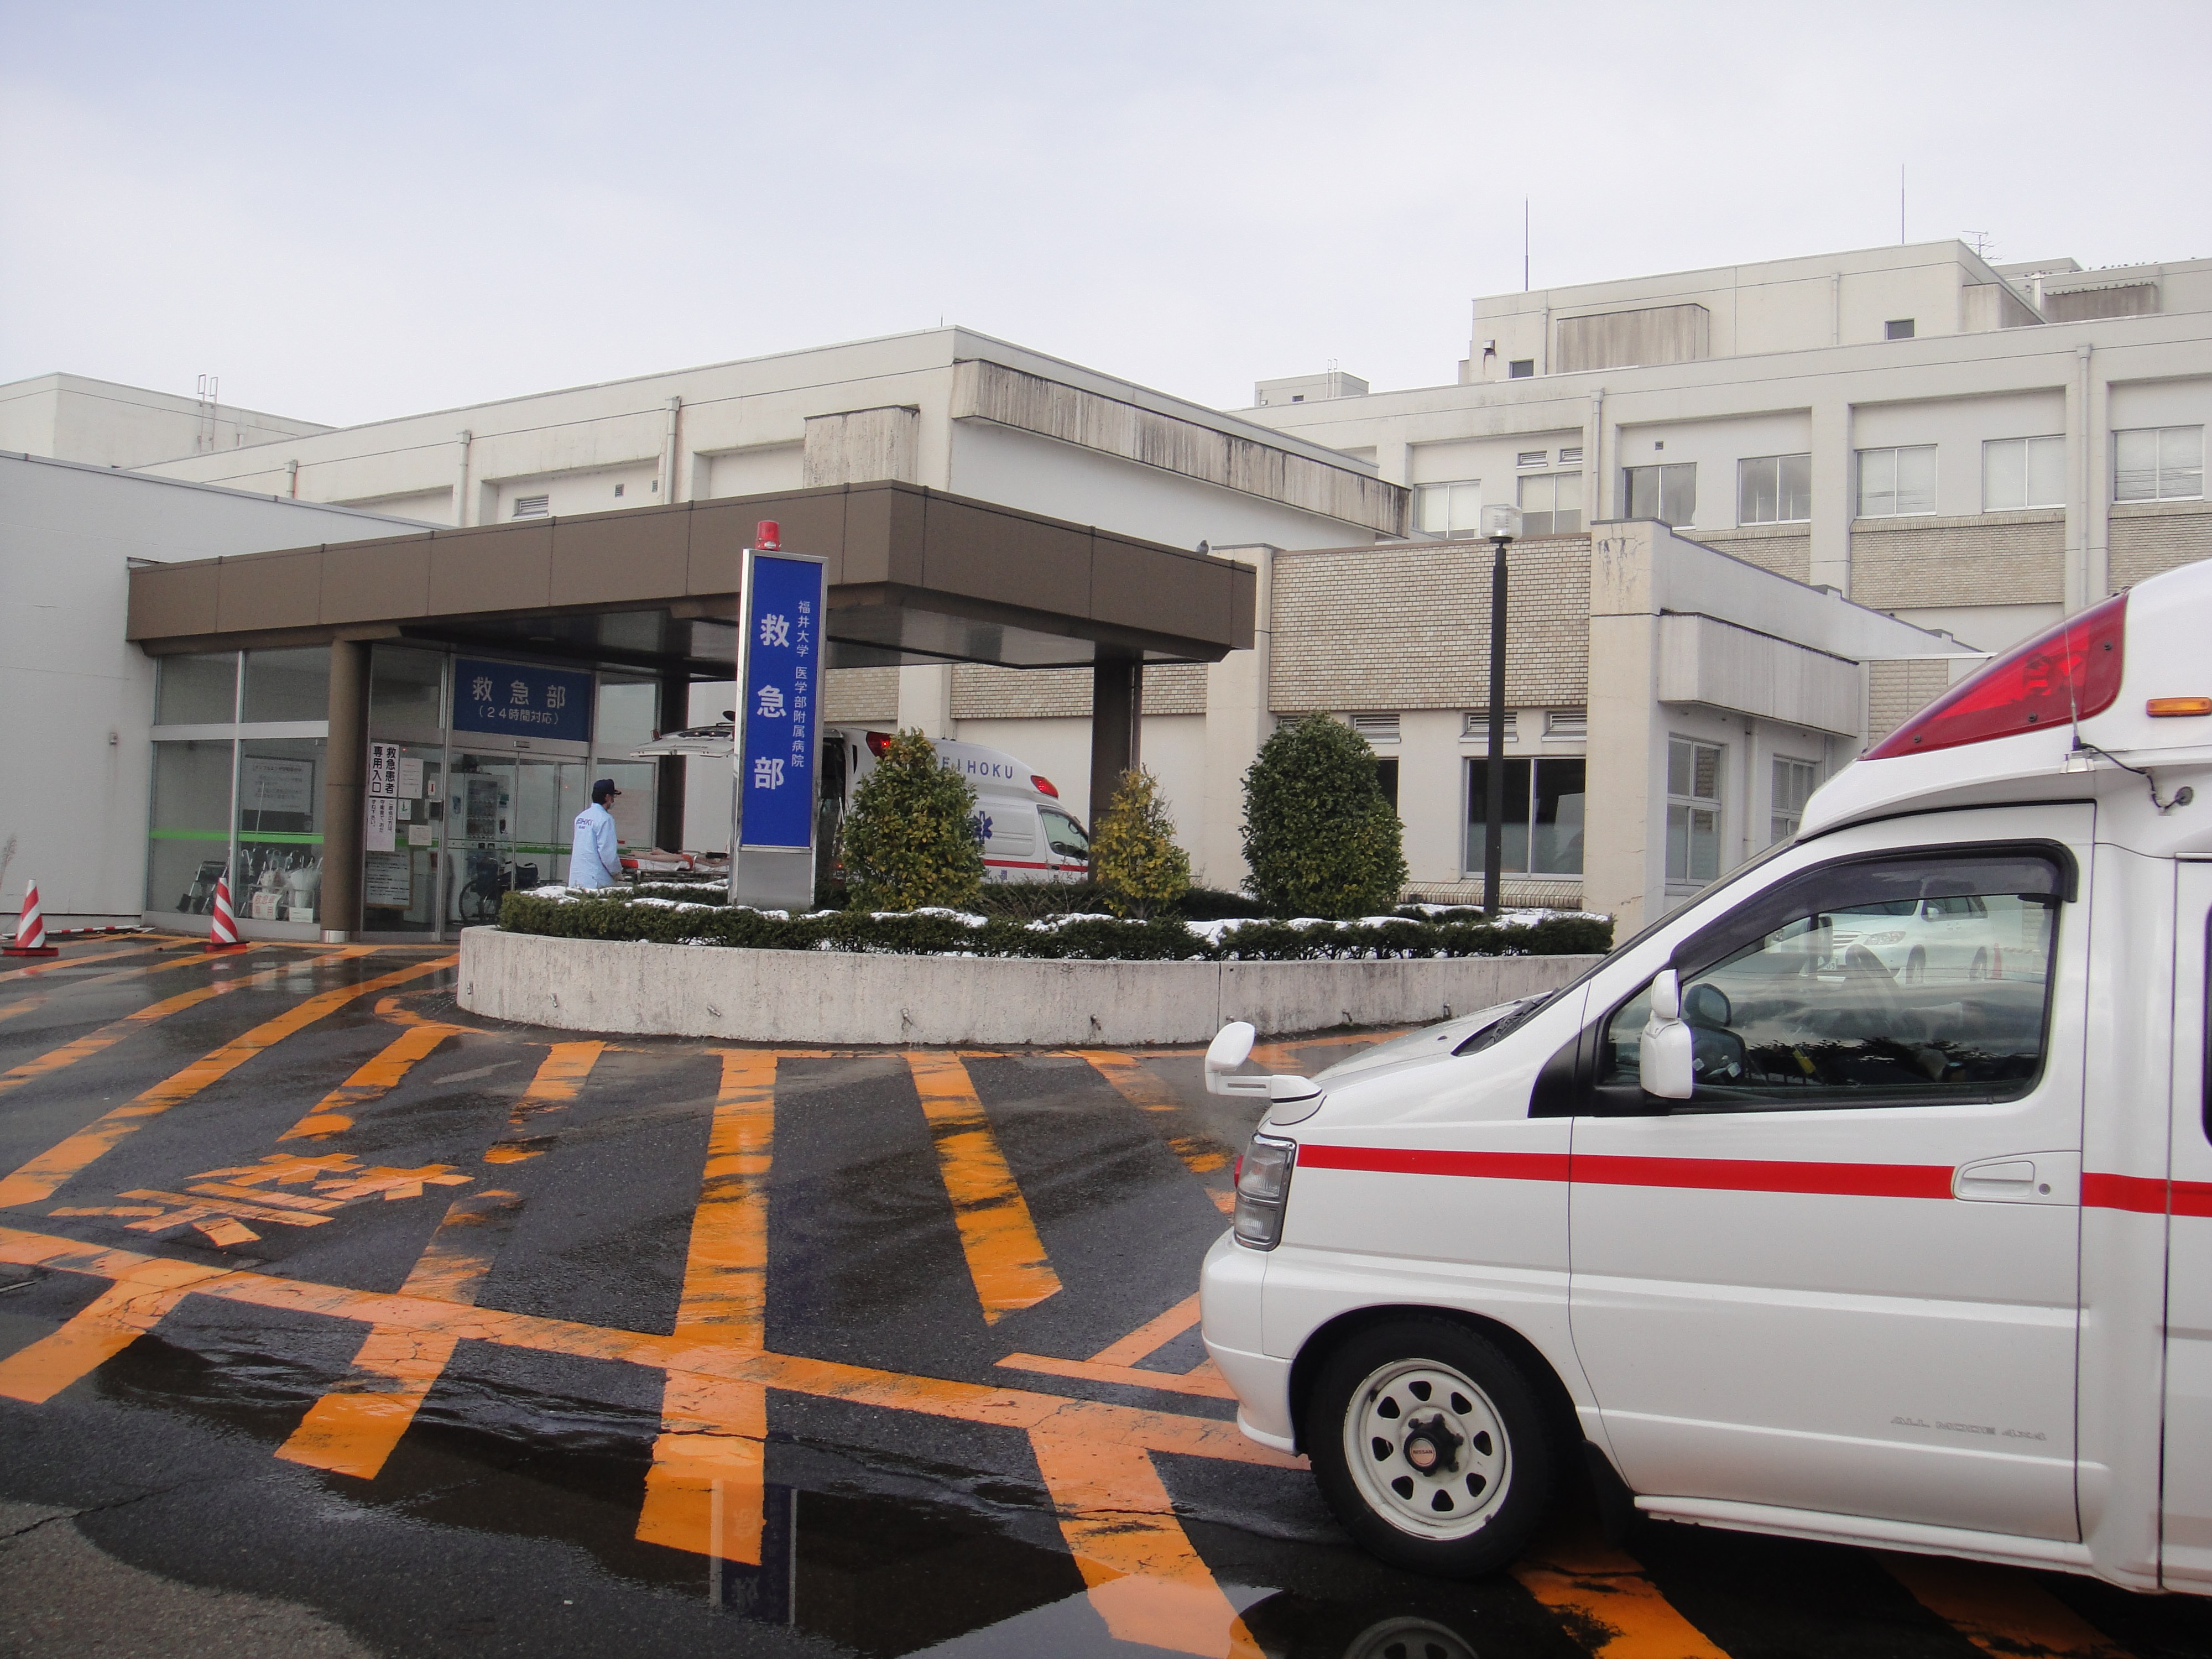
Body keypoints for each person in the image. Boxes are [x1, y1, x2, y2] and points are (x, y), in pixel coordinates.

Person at [570, 779, 624, 889]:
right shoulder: (605, 819)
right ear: (607, 797)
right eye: (613, 797)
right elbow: (608, 854)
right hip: (596, 880)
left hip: (576, 878)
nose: (613, 801)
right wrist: (617, 872)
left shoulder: (581, 817)